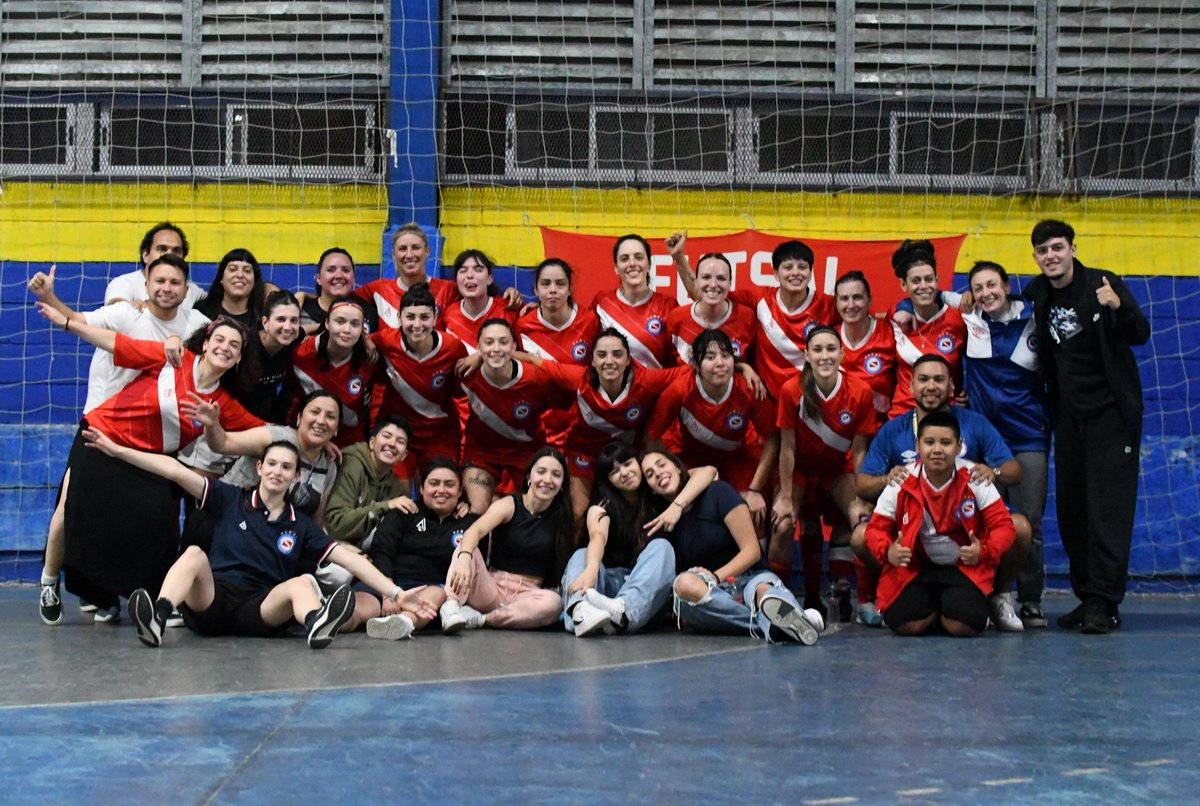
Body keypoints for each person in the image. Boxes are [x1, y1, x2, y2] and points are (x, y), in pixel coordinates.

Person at [80, 432, 432, 649]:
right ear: (260, 467)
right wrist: (118, 451)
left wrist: (396, 593)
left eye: (286, 467)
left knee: (301, 582)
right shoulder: (229, 499)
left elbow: (349, 558)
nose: (278, 472)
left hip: (260, 609)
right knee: (192, 553)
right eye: (273, 464)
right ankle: (156, 618)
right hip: (212, 602)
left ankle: (318, 625)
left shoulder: (302, 525)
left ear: (296, 476)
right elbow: (175, 471)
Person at [34, 310, 262, 622]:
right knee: (68, 508)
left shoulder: (223, 406)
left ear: (238, 359)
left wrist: (310, 438)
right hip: (100, 434)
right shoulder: (173, 358)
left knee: (158, 521)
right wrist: (68, 324)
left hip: (147, 460)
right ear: (206, 344)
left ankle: (159, 597)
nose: (225, 347)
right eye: (219, 339)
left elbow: (265, 433)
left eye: (234, 345)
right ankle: (49, 582)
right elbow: (117, 343)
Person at [29, 254, 210, 625]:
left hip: (150, 434)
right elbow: (79, 321)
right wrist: (51, 297)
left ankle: (153, 593)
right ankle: (51, 580)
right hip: (102, 422)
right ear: (146, 283)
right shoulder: (128, 315)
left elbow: (223, 347)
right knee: (70, 508)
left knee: (154, 516)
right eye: (159, 280)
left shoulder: (197, 324)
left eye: (175, 282)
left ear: (186, 288)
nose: (166, 288)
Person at [1024, 219, 1149, 634]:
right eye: (1043, 250)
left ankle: (1104, 602)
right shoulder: (1039, 293)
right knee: (1073, 509)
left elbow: (1140, 333)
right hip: (1069, 417)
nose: (1051, 256)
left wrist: (1120, 306)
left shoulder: (1103, 283)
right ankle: (1086, 596)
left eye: (1057, 247)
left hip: (1111, 415)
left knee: (1107, 511)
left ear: (1073, 249)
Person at [852, 353, 1030, 631]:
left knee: (1019, 528)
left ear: (951, 387)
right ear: (910, 386)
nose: (931, 386)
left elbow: (1015, 471)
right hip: (912, 535)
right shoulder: (894, 430)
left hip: (967, 532)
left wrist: (991, 472)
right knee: (863, 535)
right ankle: (900, 585)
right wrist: (887, 479)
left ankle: (998, 596)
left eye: (939, 379)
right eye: (923, 379)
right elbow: (862, 484)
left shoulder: (974, 424)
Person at [640, 449, 824, 644]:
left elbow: (752, 551)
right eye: (650, 474)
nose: (657, 473)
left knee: (763, 593)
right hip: (714, 596)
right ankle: (784, 622)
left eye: (661, 464)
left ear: (678, 467)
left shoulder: (718, 492)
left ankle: (780, 620)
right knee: (683, 586)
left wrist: (716, 576)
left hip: (749, 577)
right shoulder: (663, 521)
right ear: (651, 488)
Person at [864, 411, 1017, 636]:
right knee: (906, 626)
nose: (937, 449)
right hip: (915, 570)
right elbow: (875, 529)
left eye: (946, 443)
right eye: (929, 442)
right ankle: (939, 608)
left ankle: (951, 608)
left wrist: (984, 552)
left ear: (959, 446)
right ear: (917, 445)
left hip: (963, 570)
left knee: (963, 627)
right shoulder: (901, 481)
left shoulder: (975, 478)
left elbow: (1004, 527)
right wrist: (888, 551)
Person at [963, 260, 1052, 628]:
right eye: (978, 288)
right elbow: (925, 297)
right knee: (986, 522)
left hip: (1028, 436)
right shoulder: (969, 319)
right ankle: (991, 595)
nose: (986, 293)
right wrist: (905, 310)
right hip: (986, 442)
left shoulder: (1035, 319)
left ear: (1006, 285)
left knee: (1028, 522)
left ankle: (1030, 599)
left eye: (991, 285)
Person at [522, 328, 691, 520]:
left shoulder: (647, 380)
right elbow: (536, 362)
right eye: (601, 355)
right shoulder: (578, 378)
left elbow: (687, 372)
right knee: (577, 513)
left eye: (617, 354)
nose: (609, 361)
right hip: (584, 454)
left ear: (628, 359)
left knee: (642, 510)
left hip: (627, 457)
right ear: (592, 360)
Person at [772, 326, 877, 623]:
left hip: (837, 470)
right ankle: (781, 598)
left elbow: (859, 452)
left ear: (842, 353)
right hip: (801, 470)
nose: (825, 356)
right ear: (806, 355)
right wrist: (785, 496)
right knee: (782, 524)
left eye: (831, 349)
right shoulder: (792, 390)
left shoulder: (860, 391)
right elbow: (788, 448)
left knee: (858, 517)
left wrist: (861, 495)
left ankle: (857, 597)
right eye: (817, 349)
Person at [562, 442, 717, 637]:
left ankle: (623, 615)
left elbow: (708, 471)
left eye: (627, 464)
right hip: (603, 590)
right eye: (614, 471)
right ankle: (580, 612)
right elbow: (597, 536)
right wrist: (592, 569)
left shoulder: (657, 492)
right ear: (608, 480)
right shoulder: (602, 505)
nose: (624, 473)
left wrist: (676, 506)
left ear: (638, 463)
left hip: (645, 593)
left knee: (662, 546)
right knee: (582, 554)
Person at [644, 328, 777, 524]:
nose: (720, 363)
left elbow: (773, 438)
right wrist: (678, 471)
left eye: (725, 355)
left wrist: (755, 489)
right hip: (691, 459)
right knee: (693, 511)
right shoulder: (679, 391)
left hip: (736, 459)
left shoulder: (749, 388)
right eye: (710, 357)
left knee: (752, 512)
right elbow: (652, 438)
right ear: (696, 365)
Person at [441, 448, 575, 631]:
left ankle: (483, 620)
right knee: (465, 549)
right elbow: (475, 531)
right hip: (491, 588)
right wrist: (464, 559)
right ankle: (451, 607)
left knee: (554, 603)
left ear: (561, 484)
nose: (547, 480)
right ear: (529, 477)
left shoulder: (563, 517)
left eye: (556, 475)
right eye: (541, 472)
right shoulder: (509, 504)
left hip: (527, 596)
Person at [359, 457, 478, 640]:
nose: (441, 490)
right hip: (389, 583)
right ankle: (330, 623)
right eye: (434, 483)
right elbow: (382, 550)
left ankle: (401, 623)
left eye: (449, 484)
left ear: (460, 490)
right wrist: (388, 594)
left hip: (430, 589)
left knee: (436, 594)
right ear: (421, 489)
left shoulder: (470, 523)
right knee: (363, 607)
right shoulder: (405, 511)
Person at [459, 319, 564, 513]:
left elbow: (570, 399)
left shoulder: (536, 379)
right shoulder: (465, 373)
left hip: (526, 454)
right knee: (477, 509)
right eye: (489, 342)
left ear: (514, 346)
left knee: (534, 510)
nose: (496, 348)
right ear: (478, 347)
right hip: (482, 453)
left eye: (503, 342)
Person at [355, 222, 521, 332]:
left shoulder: (448, 289)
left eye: (416, 248)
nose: (409, 254)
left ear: (427, 252)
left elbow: (479, 295)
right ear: (393, 255)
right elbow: (342, 299)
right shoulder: (377, 289)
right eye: (403, 249)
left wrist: (511, 294)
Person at [372, 283, 468, 470]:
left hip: (440, 435)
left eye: (424, 317)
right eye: (410, 317)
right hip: (398, 432)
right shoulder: (385, 340)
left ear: (435, 318)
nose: (417, 325)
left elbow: (459, 392)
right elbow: (360, 342)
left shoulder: (453, 348)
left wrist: (479, 356)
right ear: (399, 318)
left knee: (439, 488)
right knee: (398, 494)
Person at [516, 257, 598, 447]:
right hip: (540, 426)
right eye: (545, 284)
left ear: (570, 289)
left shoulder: (590, 320)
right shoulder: (523, 324)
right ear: (536, 289)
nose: (553, 289)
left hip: (583, 423)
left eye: (560, 284)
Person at [743, 240, 839, 400]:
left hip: (812, 398)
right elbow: (705, 295)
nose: (796, 273)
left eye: (802, 267)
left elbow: (861, 314)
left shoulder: (828, 304)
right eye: (788, 267)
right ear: (775, 273)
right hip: (768, 398)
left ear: (810, 272)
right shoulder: (760, 299)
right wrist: (683, 259)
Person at [593, 233, 698, 368]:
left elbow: (702, 298)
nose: (632, 263)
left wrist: (679, 257)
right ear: (616, 268)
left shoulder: (667, 306)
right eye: (624, 259)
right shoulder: (602, 302)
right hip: (616, 389)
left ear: (648, 264)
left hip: (657, 388)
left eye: (639, 257)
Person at [888, 241, 967, 417]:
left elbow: (979, 363)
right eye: (916, 281)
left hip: (946, 415)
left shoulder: (957, 319)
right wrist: (904, 307)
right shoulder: (894, 317)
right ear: (903, 285)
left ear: (937, 280)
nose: (923, 286)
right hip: (903, 414)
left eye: (929, 279)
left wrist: (969, 392)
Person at [287, 298, 372, 448]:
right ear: (327, 323)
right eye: (340, 321)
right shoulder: (301, 354)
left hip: (350, 443)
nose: (347, 329)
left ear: (362, 329)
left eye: (355, 324)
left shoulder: (370, 360)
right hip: (303, 436)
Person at [323, 417, 415, 546]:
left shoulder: (397, 487)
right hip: (328, 544)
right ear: (372, 442)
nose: (392, 444)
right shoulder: (351, 465)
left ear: (404, 455)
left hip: (362, 551)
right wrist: (386, 505)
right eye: (387, 436)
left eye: (400, 441)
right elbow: (336, 525)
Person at [665, 250, 757, 365]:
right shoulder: (676, 318)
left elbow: (754, 364)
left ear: (730, 283)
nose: (713, 284)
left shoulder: (746, 318)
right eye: (706, 277)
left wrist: (742, 367)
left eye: (721, 278)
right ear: (696, 281)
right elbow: (668, 366)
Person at [835, 271, 896, 425]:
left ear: (869, 300)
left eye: (857, 297)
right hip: (839, 432)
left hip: (880, 431)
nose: (851, 305)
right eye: (844, 298)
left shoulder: (889, 334)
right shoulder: (828, 339)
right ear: (836, 303)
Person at [104, 222, 205, 309]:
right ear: (145, 255)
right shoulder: (124, 283)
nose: (169, 254)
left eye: (176, 251)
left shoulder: (192, 290)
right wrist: (129, 307)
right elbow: (115, 306)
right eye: (162, 249)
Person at [441, 249, 516, 353]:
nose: (470, 275)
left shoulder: (508, 308)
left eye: (478, 269)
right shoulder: (449, 314)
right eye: (463, 270)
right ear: (456, 280)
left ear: (489, 279)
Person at [296, 247, 378, 334]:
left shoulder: (368, 313)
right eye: (331, 270)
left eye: (345, 270)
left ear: (353, 278)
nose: (339, 275)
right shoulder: (300, 309)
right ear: (318, 278)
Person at [195, 248, 265, 330]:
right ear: (221, 278)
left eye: (247, 270)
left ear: (254, 280)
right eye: (232, 269)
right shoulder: (201, 312)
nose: (240, 275)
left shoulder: (263, 317)